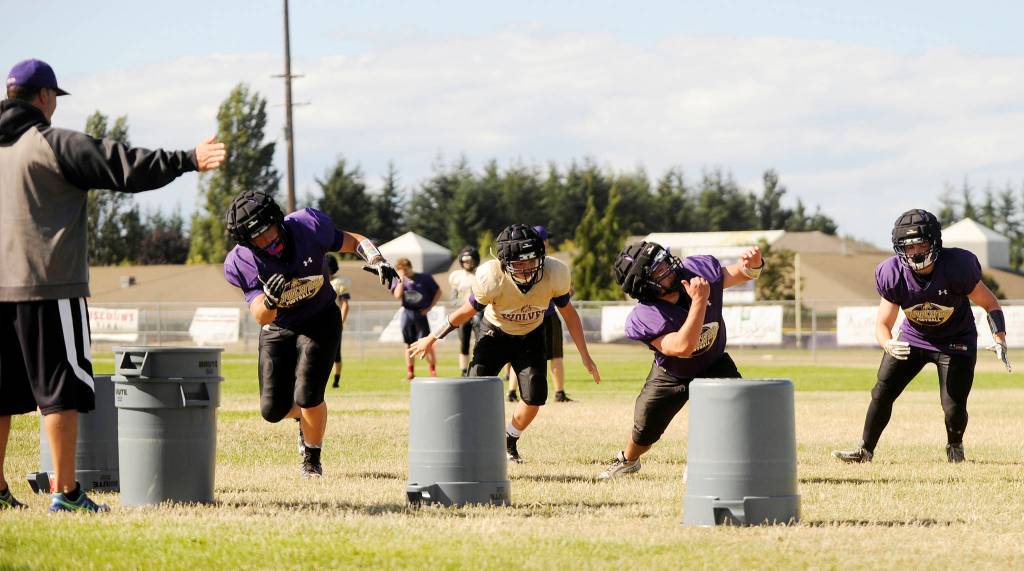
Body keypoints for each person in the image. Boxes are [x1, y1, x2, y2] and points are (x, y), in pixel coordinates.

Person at [0, 58, 226, 512]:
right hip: (47, 288)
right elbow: (125, 167)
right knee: (61, 390)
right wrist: (188, 160)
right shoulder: (50, 142)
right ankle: (65, 494)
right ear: (45, 97)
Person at [223, 190, 397, 478]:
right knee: (272, 410)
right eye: (258, 239)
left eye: (268, 231)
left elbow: (352, 240)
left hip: (320, 318)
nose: (267, 242)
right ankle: (304, 420)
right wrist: (270, 299)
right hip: (278, 326)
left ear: (276, 220)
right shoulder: (242, 261)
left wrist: (377, 258)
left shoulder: (307, 225)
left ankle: (312, 458)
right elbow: (260, 315)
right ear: (246, 243)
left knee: (308, 396)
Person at [409, 224, 601, 463]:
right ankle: (471, 441)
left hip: (531, 335)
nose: (527, 268)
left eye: (531, 261)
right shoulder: (492, 277)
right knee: (474, 390)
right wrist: (432, 337)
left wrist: (585, 354)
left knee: (535, 395)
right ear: (504, 263)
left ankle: (509, 440)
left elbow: (570, 314)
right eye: (519, 264)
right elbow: (465, 312)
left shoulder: (555, 272)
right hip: (494, 334)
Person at [832, 209, 1009, 464]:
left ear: (935, 243)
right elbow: (883, 323)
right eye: (909, 247)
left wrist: (999, 337)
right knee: (882, 392)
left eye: (921, 244)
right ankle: (864, 450)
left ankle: (955, 446)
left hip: (955, 340)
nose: (915, 252)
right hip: (913, 338)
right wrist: (888, 343)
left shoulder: (958, 266)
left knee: (953, 406)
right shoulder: (892, 273)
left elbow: (990, 303)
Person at [597, 240, 764, 479]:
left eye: (664, 260)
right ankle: (629, 460)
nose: (668, 267)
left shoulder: (695, 271)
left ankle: (706, 460)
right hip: (672, 373)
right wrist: (698, 302)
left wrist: (752, 265)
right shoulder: (645, 316)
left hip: (713, 362)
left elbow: (739, 274)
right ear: (647, 285)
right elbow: (684, 347)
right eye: (659, 269)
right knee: (644, 431)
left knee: (736, 415)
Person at [507, 226, 572, 403]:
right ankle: (559, 393)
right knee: (555, 356)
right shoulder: (549, 264)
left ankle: (511, 391)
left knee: (519, 356)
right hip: (547, 315)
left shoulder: (517, 262)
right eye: (546, 239)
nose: (548, 242)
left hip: (523, 315)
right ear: (542, 242)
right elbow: (565, 292)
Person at [394, 258, 442, 379]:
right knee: (408, 345)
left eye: (405, 269)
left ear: (410, 267)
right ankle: (410, 372)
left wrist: (429, 308)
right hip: (408, 313)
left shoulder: (424, 277)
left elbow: (438, 291)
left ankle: (433, 371)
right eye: (401, 270)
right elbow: (397, 295)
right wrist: (400, 280)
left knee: (427, 343)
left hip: (421, 314)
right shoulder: (399, 280)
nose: (404, 272)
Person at [448, 247, 483, 376]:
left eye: (470, 260)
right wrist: (465, 305)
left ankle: (479, 366)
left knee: (480, 341)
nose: (467, 263)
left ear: (476, 260)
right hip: (463, 312)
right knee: (464, 342)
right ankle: (463, 370)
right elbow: (453, 298)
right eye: (465, 261)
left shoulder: (481, 274)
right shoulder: (456, 276)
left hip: (479, 312)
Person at [327, 254, 351, 388]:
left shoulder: (339, 282)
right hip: (317, 323)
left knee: (336, 354)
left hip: (333, 322)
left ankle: (336, 380)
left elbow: (345, 304)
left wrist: (340, 323)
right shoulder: (317, 280)